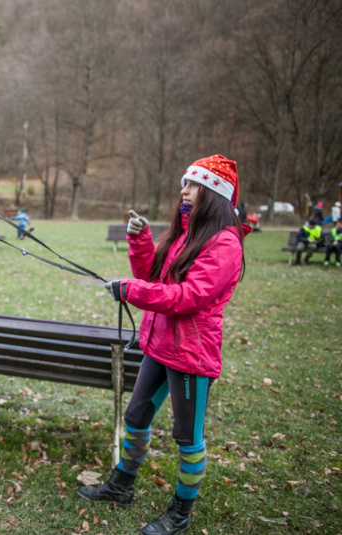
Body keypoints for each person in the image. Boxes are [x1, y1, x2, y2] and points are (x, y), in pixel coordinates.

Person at [78, 155, 248, 535]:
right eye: (184, 184)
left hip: (191, 355)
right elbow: (150, 276)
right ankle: (121, 485)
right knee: (136, 419)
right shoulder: (185, 233)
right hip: (159, 345)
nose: (183, 191)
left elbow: (188, 296)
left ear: (212, 193)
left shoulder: (224, 243)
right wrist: (140, 240)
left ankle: (180, 514)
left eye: (191, 185)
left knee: (188, 439)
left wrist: (132, 290)